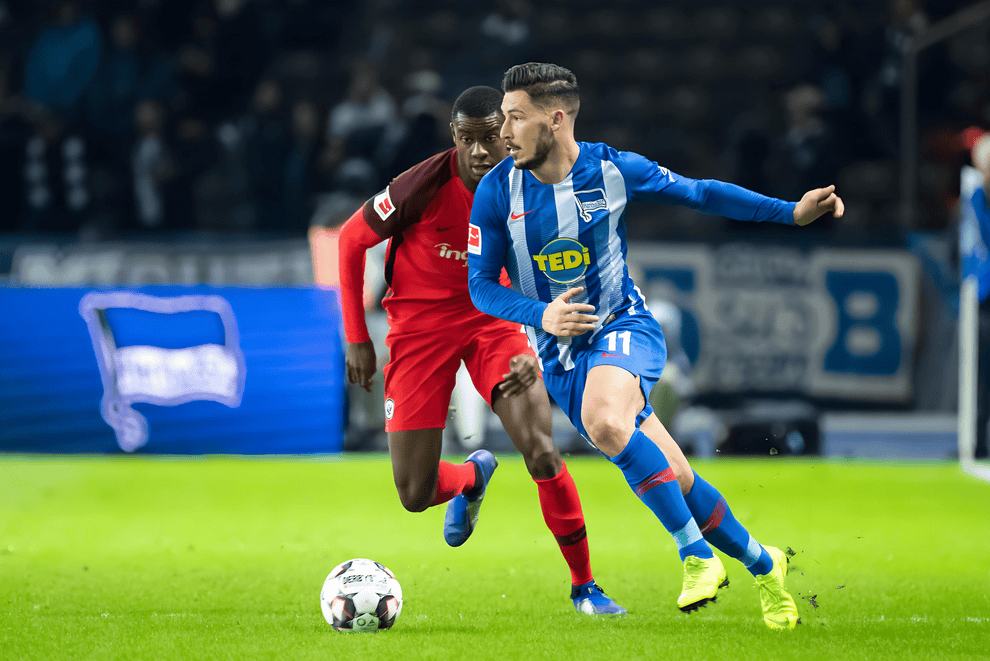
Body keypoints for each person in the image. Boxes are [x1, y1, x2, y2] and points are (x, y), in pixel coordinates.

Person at [468, 63, 845, 630]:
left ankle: (695, 555)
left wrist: (789, 212)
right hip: (560, 357)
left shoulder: (613, 170)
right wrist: (541, 313)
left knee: (604, 421)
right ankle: (765, 565)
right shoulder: (497, 191)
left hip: (623, 326)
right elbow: (479, 286)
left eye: (516, 118)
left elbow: (701, 193)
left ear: (557, 119)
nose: (504, 132)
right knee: (679, 480)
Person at [338, 85, 625, 615]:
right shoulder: (420, 185)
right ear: (453, 136)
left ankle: (585, 586)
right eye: (467, 139)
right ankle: (472, 476)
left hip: (494, 321)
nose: (479, 151)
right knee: (414, 493)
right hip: (419, 329)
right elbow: (351, 240)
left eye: (490, 138)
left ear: (509, 131)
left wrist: (538, 341)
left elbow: (557, 270)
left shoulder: (534, 184)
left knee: (541, 450)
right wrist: (356, 336)